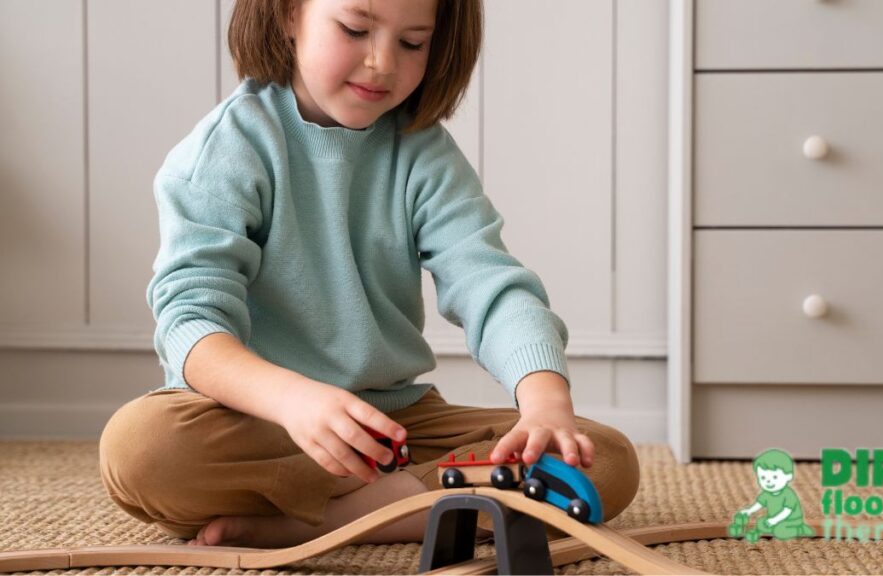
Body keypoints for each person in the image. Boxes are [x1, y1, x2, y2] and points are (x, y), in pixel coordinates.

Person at [98, 0, 640, 550]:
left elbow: (489, 284)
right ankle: (405, 501)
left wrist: (546, 402)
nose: (382, 62)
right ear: (288, 15)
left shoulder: (423, 152)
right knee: (142, 449)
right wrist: (295, 402)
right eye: (355, 29)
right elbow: (190, 321)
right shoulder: (228, 147)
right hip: (259, 420)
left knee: (605, 459)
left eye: (412, 42)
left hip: (395, 427)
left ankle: (332, 521)